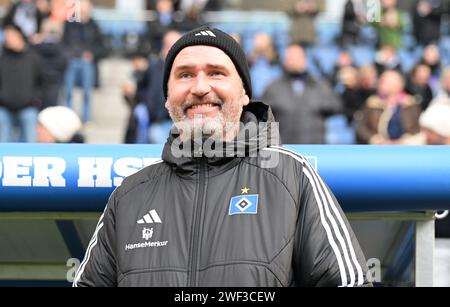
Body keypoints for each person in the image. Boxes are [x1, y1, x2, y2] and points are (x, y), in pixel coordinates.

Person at [73, 26, 370, 287]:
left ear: (243, 94)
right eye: (185, 75)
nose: (200, 88)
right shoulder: (129, 195)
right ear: (167, 97)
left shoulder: (292, 176)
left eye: (216, 73)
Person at [262, 44, 342, 144]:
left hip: (314, 149)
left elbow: (336, 106)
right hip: (285, 149)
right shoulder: (273, 87)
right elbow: (261, 113)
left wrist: (315, 105)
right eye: (290, 58)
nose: (293, 61)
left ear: (305, 59)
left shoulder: (319, 85)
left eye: (296, 57)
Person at [0, 24, 43, 143]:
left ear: (19, 36)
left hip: (28, 108)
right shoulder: (2, 58)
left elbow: (44, 82)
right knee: (3, 144)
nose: (7, 39)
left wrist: (36, 100)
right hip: (4, 108)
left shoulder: (33, 58)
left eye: (10, 35)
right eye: (6, 36)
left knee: (30, 145)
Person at [356, 70, 421, 144]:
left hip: (405, 148)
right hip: (378, 148)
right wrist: (374, 139)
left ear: (398, 85)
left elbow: (417, 128)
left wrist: (406, 140)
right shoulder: (372, 103)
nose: (380, 84)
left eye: (385, 82)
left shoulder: (410, 104)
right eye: (381, 82)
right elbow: (361, 127)